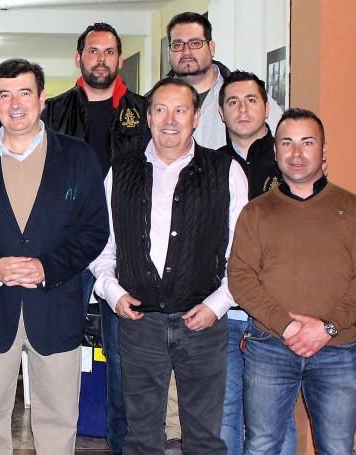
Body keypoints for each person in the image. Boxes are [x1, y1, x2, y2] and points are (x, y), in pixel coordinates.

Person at [0, 58, 109, 455]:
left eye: (25, 92)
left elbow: (94, 230)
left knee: (58, 418)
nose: (15, 103)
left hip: (56, 305)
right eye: (5, 94)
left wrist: (47, 268)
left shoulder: (78, 156)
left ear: (41, 98)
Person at [89, 77, 248, 455]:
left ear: (196, 117)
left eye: (181, 110)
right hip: (139, 324)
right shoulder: (120, 171)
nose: (170, 119)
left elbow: (242, 254)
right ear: (148, 117)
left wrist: (217, 305)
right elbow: (102, 245)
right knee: (141, 437)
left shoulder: (226, 171)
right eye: (161, 109)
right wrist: (113, 294)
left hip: (204, 322)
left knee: (205, 439)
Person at [229, 108, 356, 455]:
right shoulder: (255, 212)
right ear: (275, 151)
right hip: (269, 347)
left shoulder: (355, 208)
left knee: (337, 448)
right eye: (287, 143)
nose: (296, 153)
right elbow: (240, 278)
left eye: (307, 142)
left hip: (338, 351)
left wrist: (326, 327)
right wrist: (286, 327)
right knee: (261, 446)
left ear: (324, 151)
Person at [42, 22, 150, 454]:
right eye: (92, 51)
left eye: (109, 51)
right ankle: (58, 441)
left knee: (121, 358)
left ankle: (121, 444)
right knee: (61, 352)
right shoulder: (53, 111)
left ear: (120, 60)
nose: (100, 58)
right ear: (79, 58)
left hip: (126, 250)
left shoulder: (145, 111)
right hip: (67, 247)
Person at [215, 70, 296, 455]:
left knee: (273, 420)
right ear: (219, 112)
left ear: (267, 107)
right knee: (225, 413)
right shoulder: (208, 167)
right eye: (232, 102)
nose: (242, 109)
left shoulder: (289, 164)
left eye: (250, 100)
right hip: (224, 312)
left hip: (276, 312)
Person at [166, 12, 283, 150]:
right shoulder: (150, 104)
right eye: (178, 44)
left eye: (195, 43)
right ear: (169, 53)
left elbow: (284, 144)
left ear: (211, 48)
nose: (186, 51)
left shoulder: (250, 97)